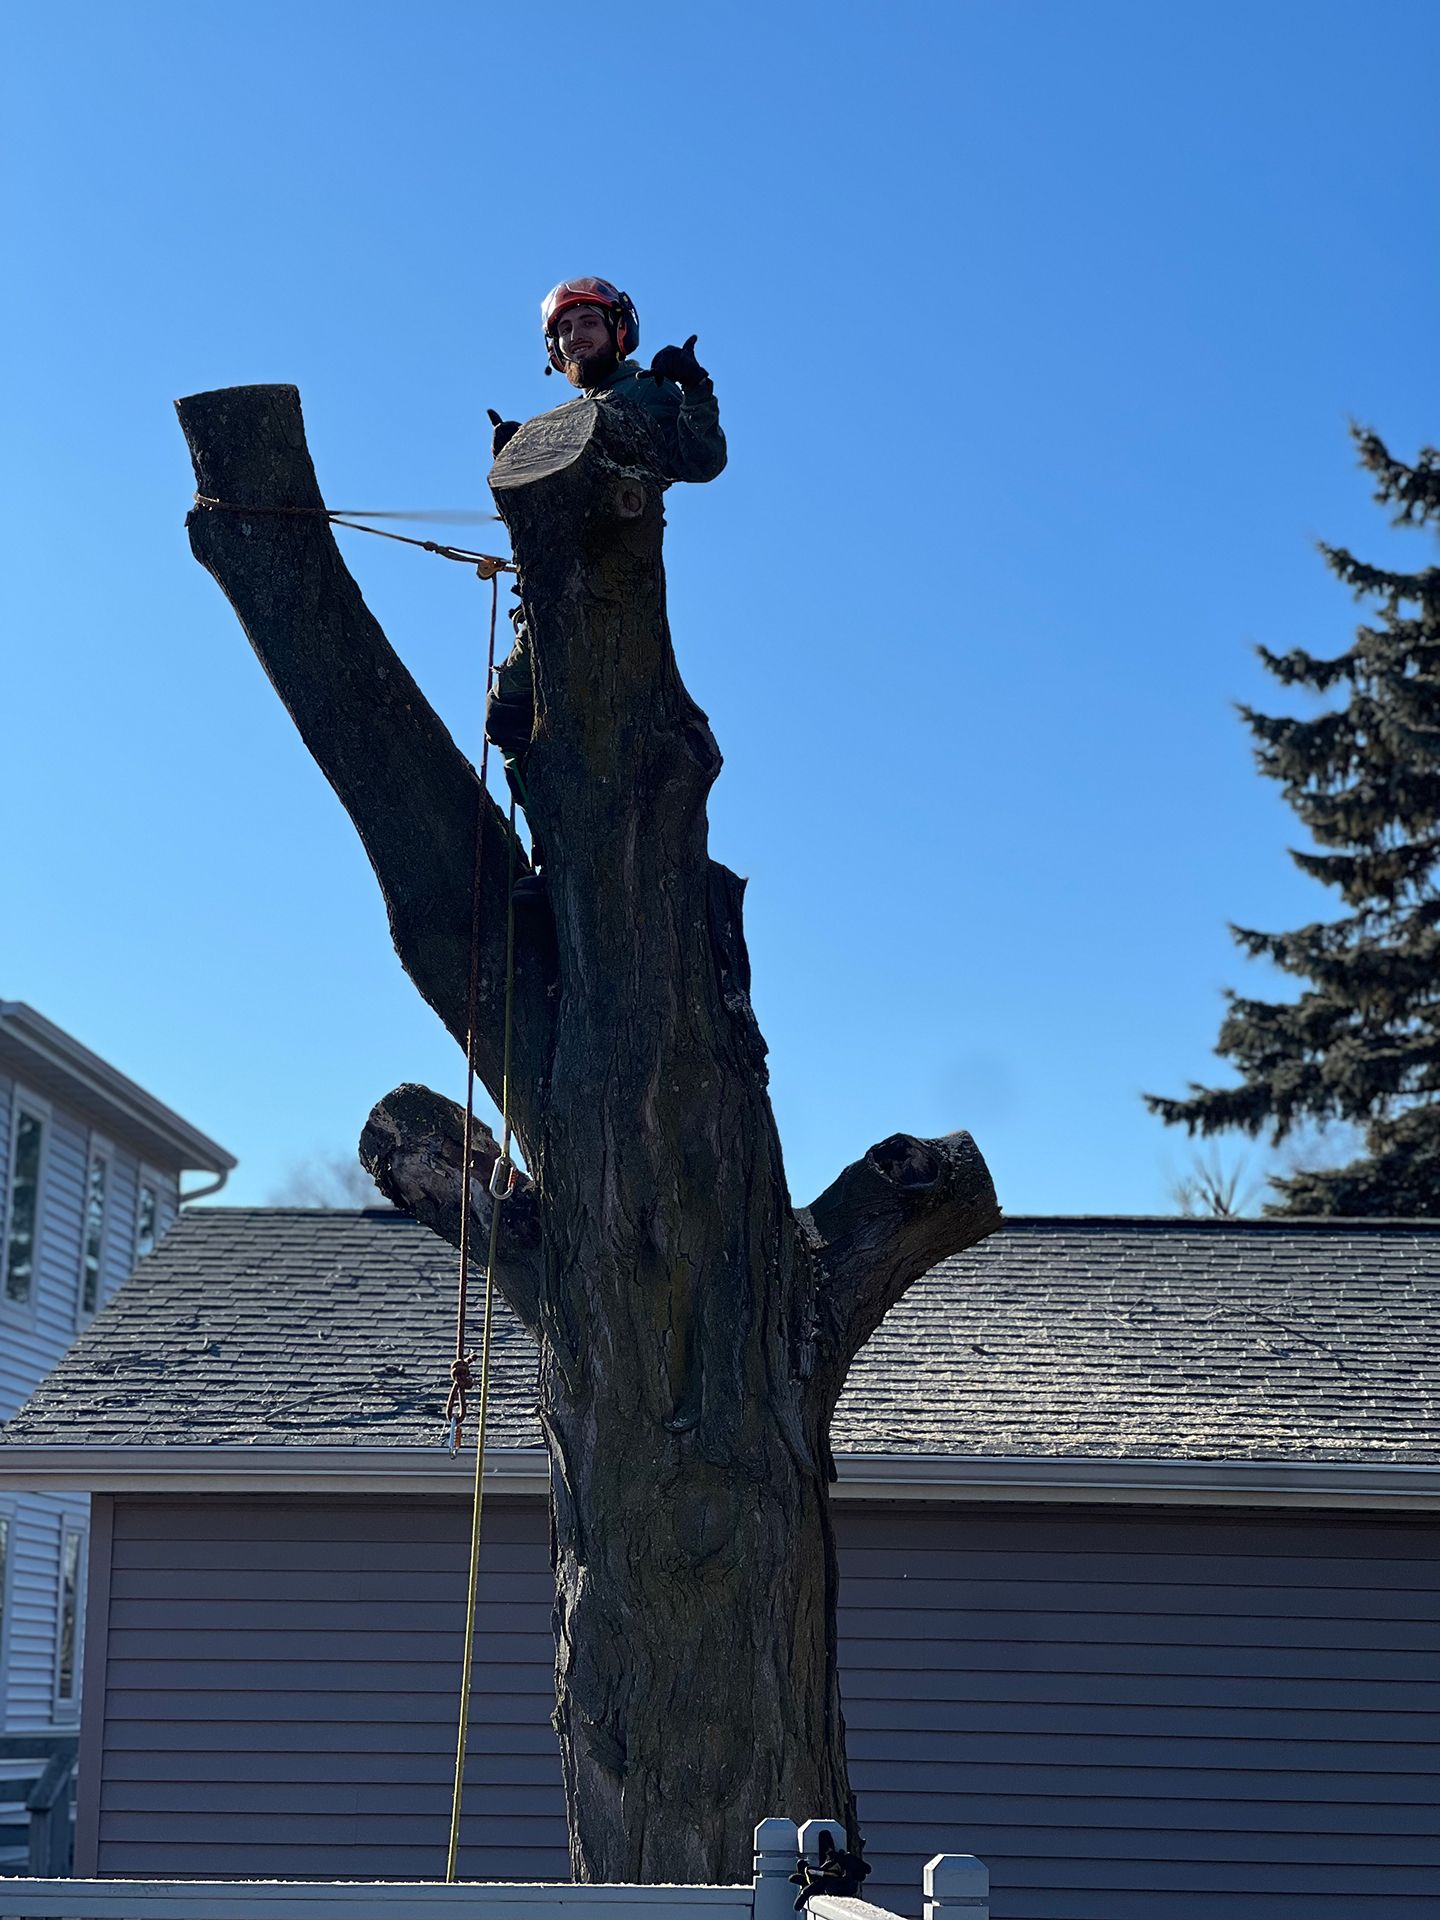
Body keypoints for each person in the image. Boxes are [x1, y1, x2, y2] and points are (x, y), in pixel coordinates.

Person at [484, 280, 725, 898]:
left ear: (620, 330)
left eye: (587, 322)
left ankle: (599, 867)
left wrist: (696, 391)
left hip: (616, 586)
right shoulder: (553, 425)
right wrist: (515, 463)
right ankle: (550, 856)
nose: (574, 336)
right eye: (563, 331)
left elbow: (701, 460)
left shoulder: (648, 394)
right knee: (510, 713)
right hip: (549, 594)